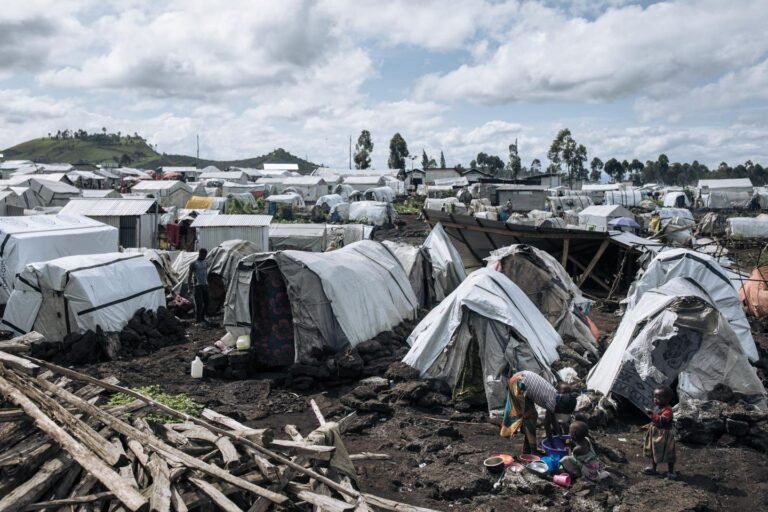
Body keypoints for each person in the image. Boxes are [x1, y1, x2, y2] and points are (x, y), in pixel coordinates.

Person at [500, 370, 577, 455]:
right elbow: (548, 426)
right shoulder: (552, 403)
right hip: (519, 383)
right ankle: (533, 452)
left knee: (531, 416)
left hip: (523, 379)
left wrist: (559, 435)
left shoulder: (556, 397)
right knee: (530, 418)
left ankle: (527, 449)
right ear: (562, 408)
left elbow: (554, 421)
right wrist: (552, 444)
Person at [642, 386, 677, 479]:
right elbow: (656, 420)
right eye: (654, 397)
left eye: (658, 397)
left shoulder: (667, 410)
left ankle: (670, 472)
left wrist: (652, 415)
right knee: (654, 450)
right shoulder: (658, 407)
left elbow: (662, 421)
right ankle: (653, 468)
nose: (655, 399)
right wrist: (650, 424)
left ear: (667, 399)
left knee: (668, 452)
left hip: (664, 435)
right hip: (655, 433)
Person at [189, 248, 209, 324]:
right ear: (200, 254)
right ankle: (198, 320)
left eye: (205, 255)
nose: (205, 256)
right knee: (199, 303)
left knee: (207, 302)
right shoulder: (194, 263)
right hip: (197, 286)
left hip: (205, 284)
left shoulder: (206, 263)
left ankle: (203, 317)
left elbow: (206, 273)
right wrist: (189, 287)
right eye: (203, 254)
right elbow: (189, 276)